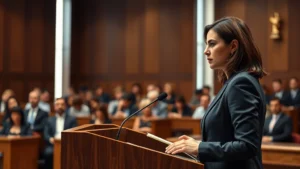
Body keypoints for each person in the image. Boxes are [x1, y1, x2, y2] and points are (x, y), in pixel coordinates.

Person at [165, 17, 266, 169]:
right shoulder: (233, 82)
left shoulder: (240, 83)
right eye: (206, 44)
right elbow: (225, 136)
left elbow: (247, 145)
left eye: (212, 44)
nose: (206, 51)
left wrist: (200, 148)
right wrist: (196, 145)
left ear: (233, 46)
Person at [44, 98, 77, 169]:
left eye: (62, 104)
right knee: (48, 153)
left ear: (65, 106)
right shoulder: (49, 120)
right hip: (53, 144)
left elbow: (74, 133)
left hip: (67, 145)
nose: (60, 106)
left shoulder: (72, 119)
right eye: (57, 104)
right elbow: (46, 134)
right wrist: (50, 139)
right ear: (54, 107)